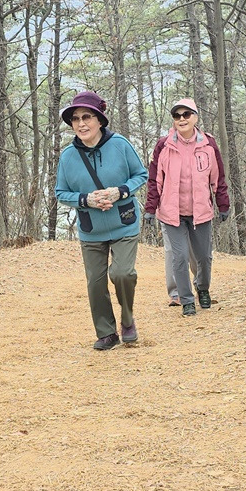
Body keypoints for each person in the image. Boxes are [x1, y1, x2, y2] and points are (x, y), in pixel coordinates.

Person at [54, 90, 149, 350]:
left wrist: (120, 191)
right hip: (91, 229)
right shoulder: (68, 156)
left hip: (124, 223)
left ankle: (127, 319)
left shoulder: (120, 144)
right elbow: (61, 193)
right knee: (96, 284)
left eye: (86, 117)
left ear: (99, 120)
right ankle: (106, 333)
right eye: (75, 119)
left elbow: (141, 175)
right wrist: (86, 200)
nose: (81, 124)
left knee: (122, 274)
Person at [144, 98, 230, 316]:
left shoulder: (208, 144)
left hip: (200, 213)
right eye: (177, 115)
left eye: (186, 114)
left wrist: (223, 204)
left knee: (204, 258)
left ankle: (202, 288)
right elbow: (155, 180)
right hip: (172, 213)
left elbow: (218, 178)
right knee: (179, 257)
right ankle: (186, 299)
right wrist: (150, 209)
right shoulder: (164, 145)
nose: (182, 119)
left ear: (195, 117)